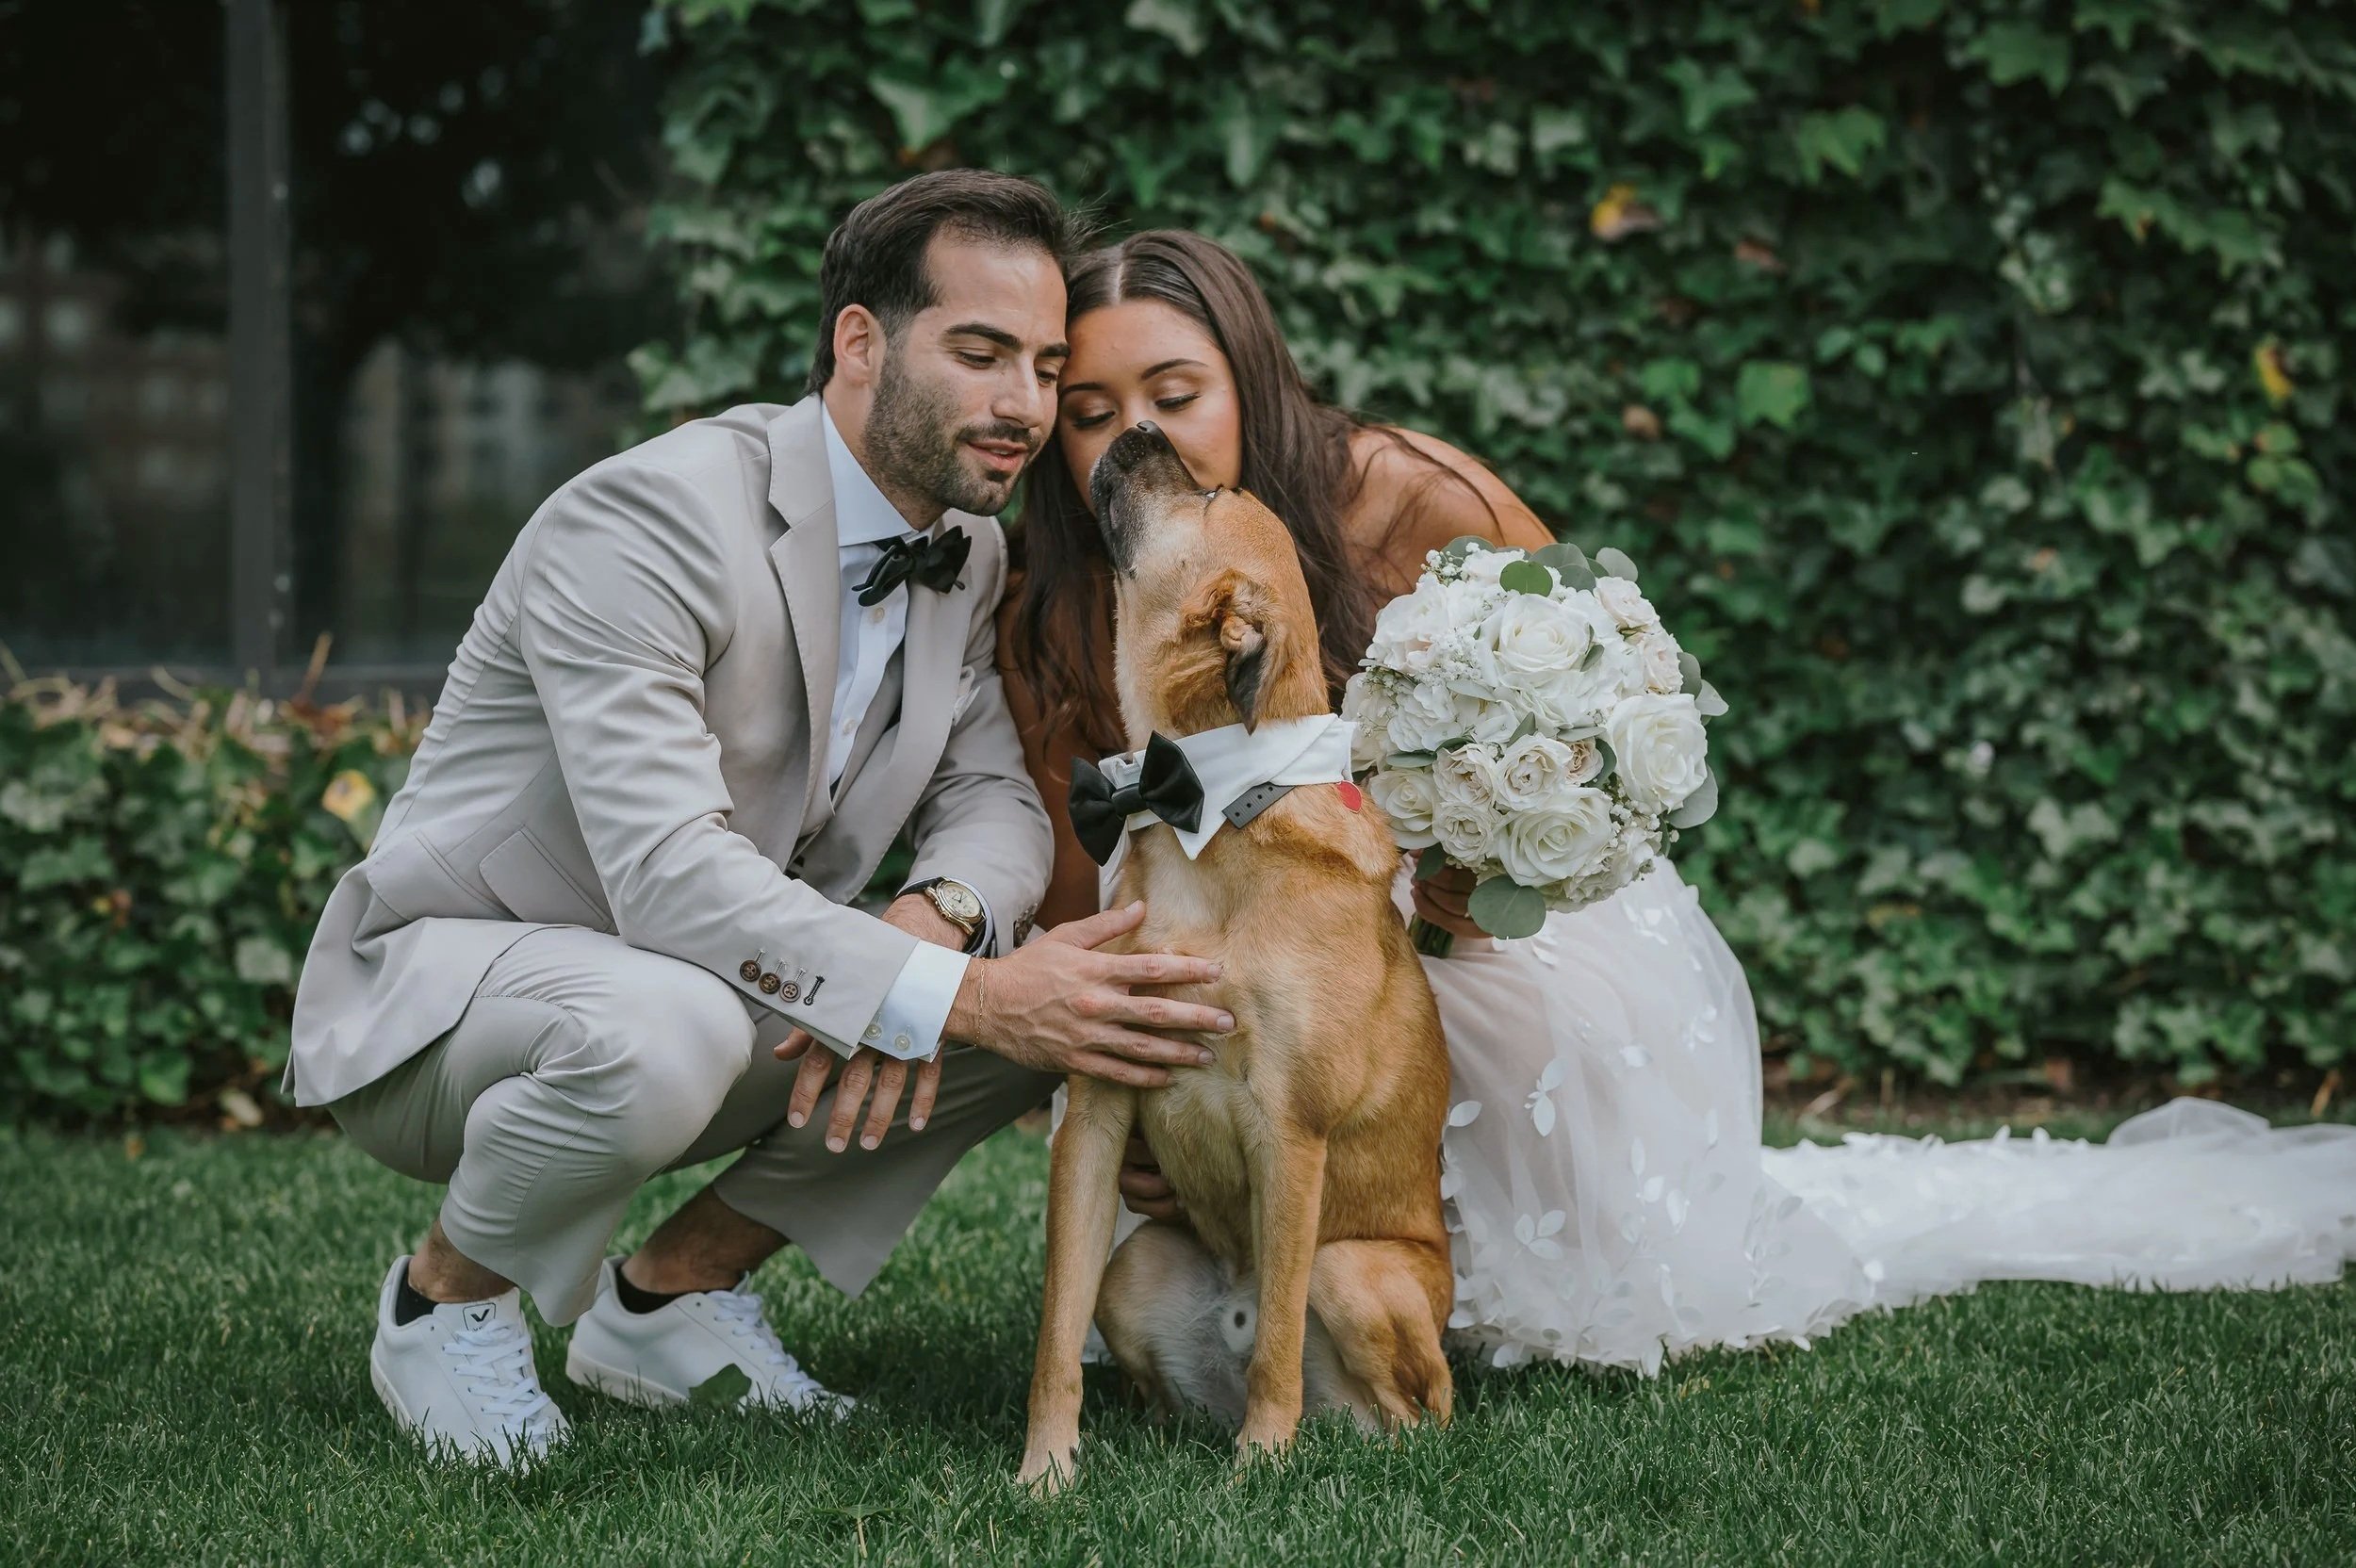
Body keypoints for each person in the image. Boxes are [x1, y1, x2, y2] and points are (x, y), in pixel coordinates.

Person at [1001, 229, 2356, 1378]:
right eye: (1094, 412)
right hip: (1242, 938)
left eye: (1176, 393)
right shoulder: (1055, 603)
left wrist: (1460, 877)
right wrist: (1136, 1079)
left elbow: (1586, 706)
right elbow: (1086, 886)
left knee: (1405, 1021)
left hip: (1478, 922)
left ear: (1251, 376)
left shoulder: (1402, 496)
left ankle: (1424, 1276)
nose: (1137, 438)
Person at [288, 173, 1239, 1465]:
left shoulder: (968, 547)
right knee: (741, 1019)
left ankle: (667, 1303)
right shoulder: (647, 518)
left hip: (711, 986)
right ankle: (442, 1303)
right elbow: (668, 876)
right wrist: (945, 995)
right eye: (979, 354)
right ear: (860, 342)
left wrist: (939, 926)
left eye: (1044, 364)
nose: (1024, 404)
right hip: (455, 997)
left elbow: (993, 798)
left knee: (1050, 1002)